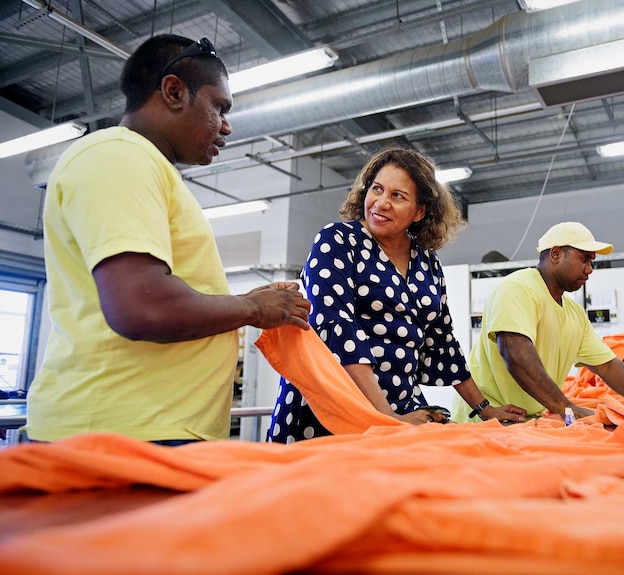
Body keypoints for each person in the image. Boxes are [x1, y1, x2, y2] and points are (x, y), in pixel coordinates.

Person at [26, 35, 311, 444]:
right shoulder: (118, 156)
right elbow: (141, 307)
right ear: (174, 91)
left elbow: (154, 291)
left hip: (148, 430)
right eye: (219, 107)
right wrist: (250, 307)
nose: (226, 125)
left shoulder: (147, 167)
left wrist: (247, 302)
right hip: (119, 436)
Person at [268, 146, 525, 443]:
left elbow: (442, 341)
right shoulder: (338, 241)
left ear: (420, 211)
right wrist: (385, 417)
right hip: (339, 408)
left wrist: (484, 409)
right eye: (376, 189)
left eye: (397, 196)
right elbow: (340, 331)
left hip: (402, 408)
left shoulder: (427, 261)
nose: (381, 203)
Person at [452, 222, 624, 422]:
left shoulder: (574, 313)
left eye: (591, 262)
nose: (590, 269)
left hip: (523, 421)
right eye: (584, 259)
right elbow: (516, 355)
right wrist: (566, 409)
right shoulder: (518, 289)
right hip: (486, 418)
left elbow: (608, 367)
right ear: (556, 254)